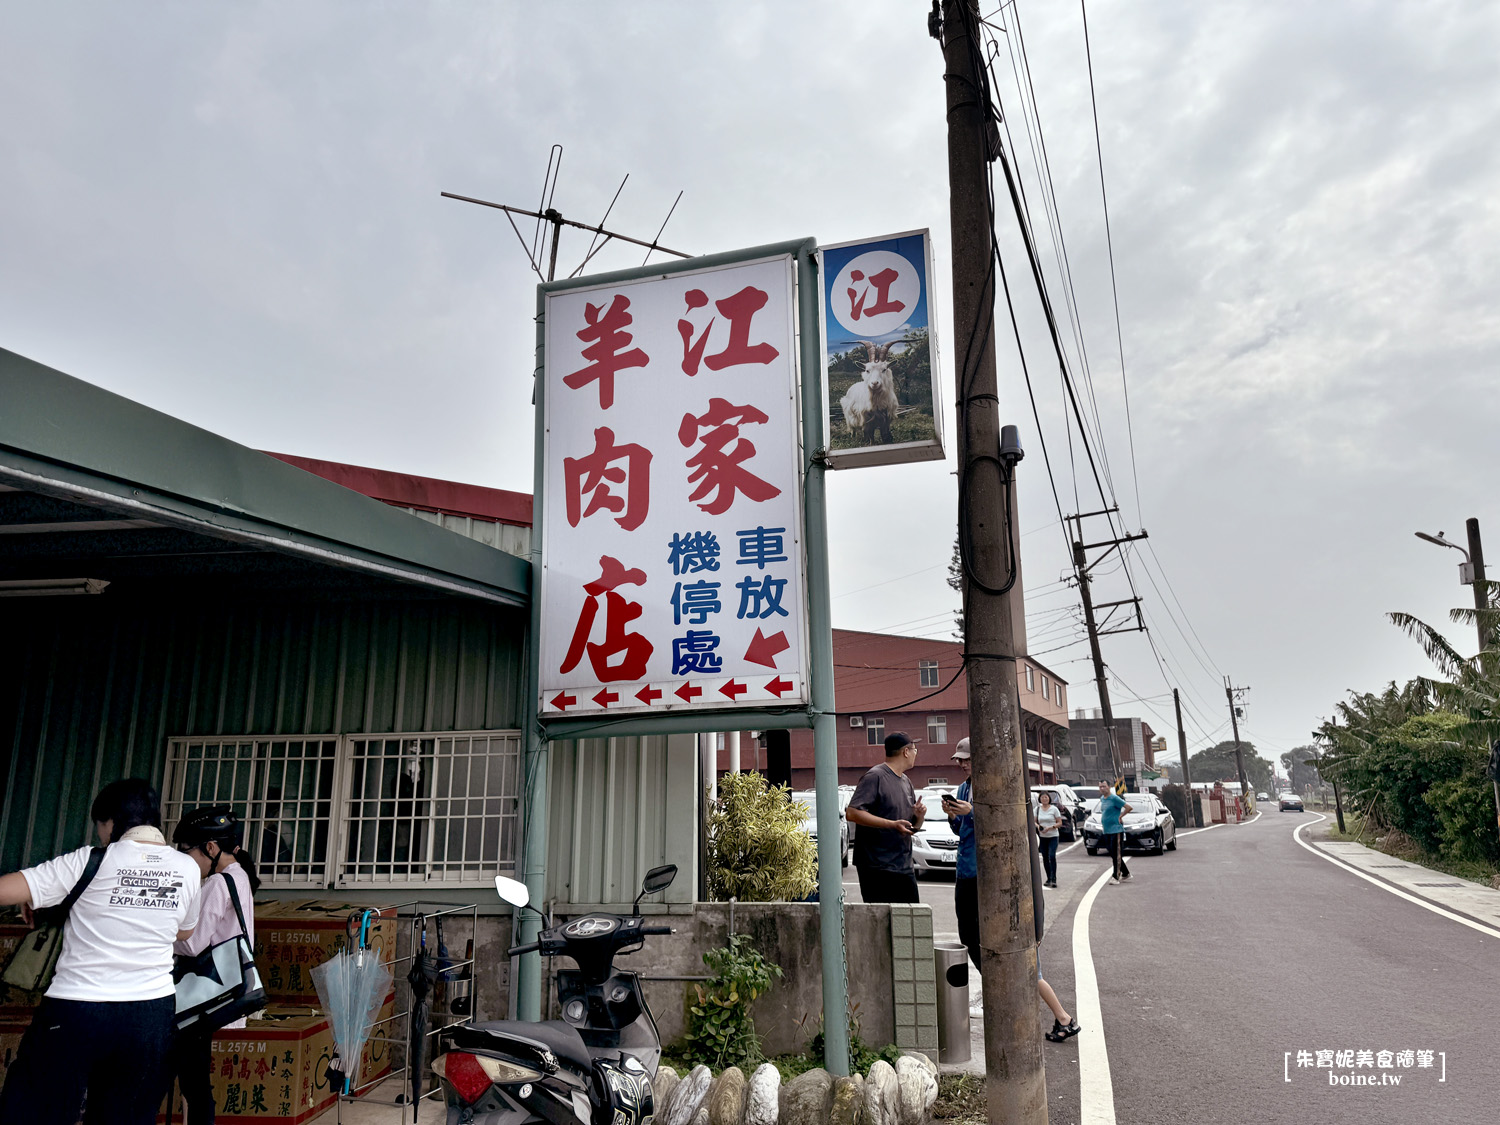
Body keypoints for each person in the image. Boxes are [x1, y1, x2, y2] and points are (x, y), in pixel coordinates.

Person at [0, 779, 202, 1125]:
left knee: (36, 1111)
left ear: (111, 822)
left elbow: (7, 890)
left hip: (76, 1009)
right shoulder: (187, 868)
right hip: (149, 1016)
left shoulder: (88, 861)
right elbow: (184, 931)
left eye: (100, 827)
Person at [169, 806, 263, 1125]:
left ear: (211, 848)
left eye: (187, 851)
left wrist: (158, 935)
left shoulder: (217, 884)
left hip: (199, 997)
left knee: (191, 1083)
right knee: (195, 1081)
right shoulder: (240, 878)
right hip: (222, 990)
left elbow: (193, 943)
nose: (185, 861)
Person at [846, 732, 926, 904]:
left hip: (903, 866)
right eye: (914, 749)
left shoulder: (906, 782)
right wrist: (892, 824)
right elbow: (852, 812)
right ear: (906, 752)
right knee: (882, 925)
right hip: (877, 867)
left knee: (910, 923)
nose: (915, 754)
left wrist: (919, 817)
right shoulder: (875, 776)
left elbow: (909, 827)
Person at [941, 739, 977, 965]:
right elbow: (960, 829)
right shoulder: (964, 788)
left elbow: (1001, 824)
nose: (963, 764)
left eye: (967, 759)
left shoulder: (994, 786)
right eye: (959, 760)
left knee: (984, 933)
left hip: (983, 872)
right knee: (967, 933)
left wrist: (972, 811)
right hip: (964, 869)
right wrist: (953, 814)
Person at [1098, 780, 1132, 884]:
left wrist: (1120, 816)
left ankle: (1116, 876)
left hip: (1116, 830)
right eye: (1100, 787)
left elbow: (1129, 807)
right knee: (1113, 854)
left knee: (1117, 853)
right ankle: (1126, 873)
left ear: (1109, 787)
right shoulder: (1102, 799)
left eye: (1104, 786)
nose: (1102, 789)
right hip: (1106, 830)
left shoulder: (1115, 798)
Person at [1035, 790, 1063, 888]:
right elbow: (1034, 821)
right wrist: (1039, 827)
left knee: (1051, 856)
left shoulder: (1054, 809)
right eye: (1042, 797)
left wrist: (1051, 827)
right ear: (1040, 799)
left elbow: (1060, 822)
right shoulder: (1037, 809)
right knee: (1045, 857)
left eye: (1046, 797)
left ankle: (1054, 878)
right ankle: (1048, 878)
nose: (1044, 799)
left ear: (1049, 798)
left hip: (1053, 836)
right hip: (1043, 837)